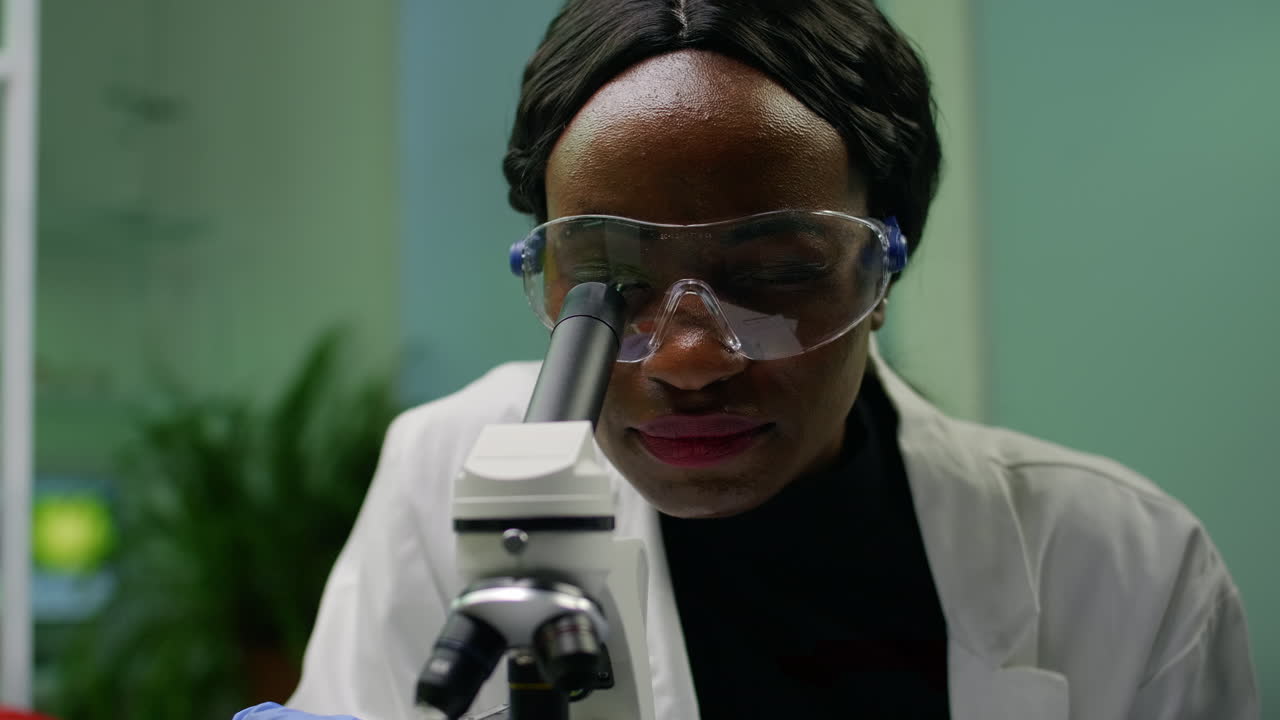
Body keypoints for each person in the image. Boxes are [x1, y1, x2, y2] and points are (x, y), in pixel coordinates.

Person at [238, 0, 1259, 718]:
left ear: (880, 270)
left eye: (773, 273)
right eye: (610, 279)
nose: (687, 359)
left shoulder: (1125, 566)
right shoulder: (450, 469)